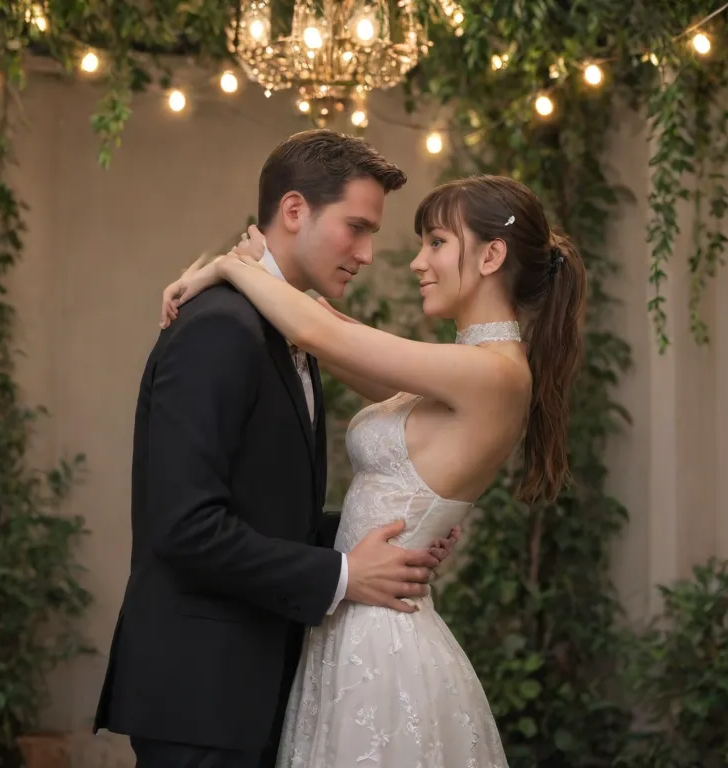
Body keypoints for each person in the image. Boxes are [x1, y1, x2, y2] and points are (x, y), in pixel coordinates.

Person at [159, 173, 587, 767]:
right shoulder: (459, 367)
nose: (417, 262)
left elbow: (319, 333)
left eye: (436, 242)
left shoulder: (495, 373)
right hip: (351, 621)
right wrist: (254, 272)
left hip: (385, 644)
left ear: (492, 255)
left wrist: (233, 267)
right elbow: (339, 339)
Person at [92, 129, 462, 768]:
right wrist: (346, 576)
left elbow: (264, 512)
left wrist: (385, 545)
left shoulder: (285, 328)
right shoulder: (218, 331)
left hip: (253, 687)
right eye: (357, 227)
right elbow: (184, 528)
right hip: (201, 696)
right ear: (295, 211)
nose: (369, 253)